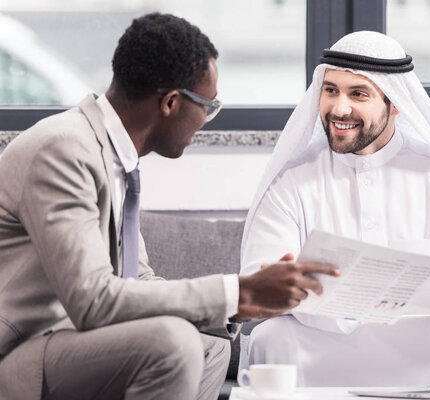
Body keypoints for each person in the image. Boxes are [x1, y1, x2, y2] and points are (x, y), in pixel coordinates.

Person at [0, 13, 339, 400]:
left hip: (65, 342)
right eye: (207, 106)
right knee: (173, 341)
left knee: (210, 347)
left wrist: (242, 307)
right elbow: (93, 301)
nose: (206, 121)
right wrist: (238, 291)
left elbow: (135, 284)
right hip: (19, 353)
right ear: (171, 103)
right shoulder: (62, 150)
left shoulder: (115, 158)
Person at [240, 31, 430, 387]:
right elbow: (256, 282)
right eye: (331, 90)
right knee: (272, 337)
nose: (339, 108)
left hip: (422, 345)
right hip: (323, 344)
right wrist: (280, 288)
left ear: (396, 103)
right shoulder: (291, 184)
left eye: (358, 93)